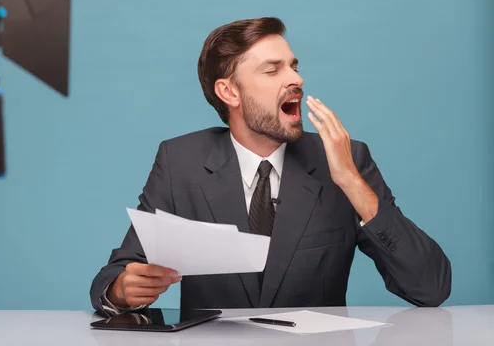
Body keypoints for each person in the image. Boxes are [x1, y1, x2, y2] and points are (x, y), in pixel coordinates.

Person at [89, 17, 452, 315]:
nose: (296, 79)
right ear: (229, 92)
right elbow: (116, 274)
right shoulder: (180, 161)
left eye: (293, 66)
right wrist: (121, 290)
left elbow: (431, 287)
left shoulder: (346, 161)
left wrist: (353, 184)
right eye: (272, 70)